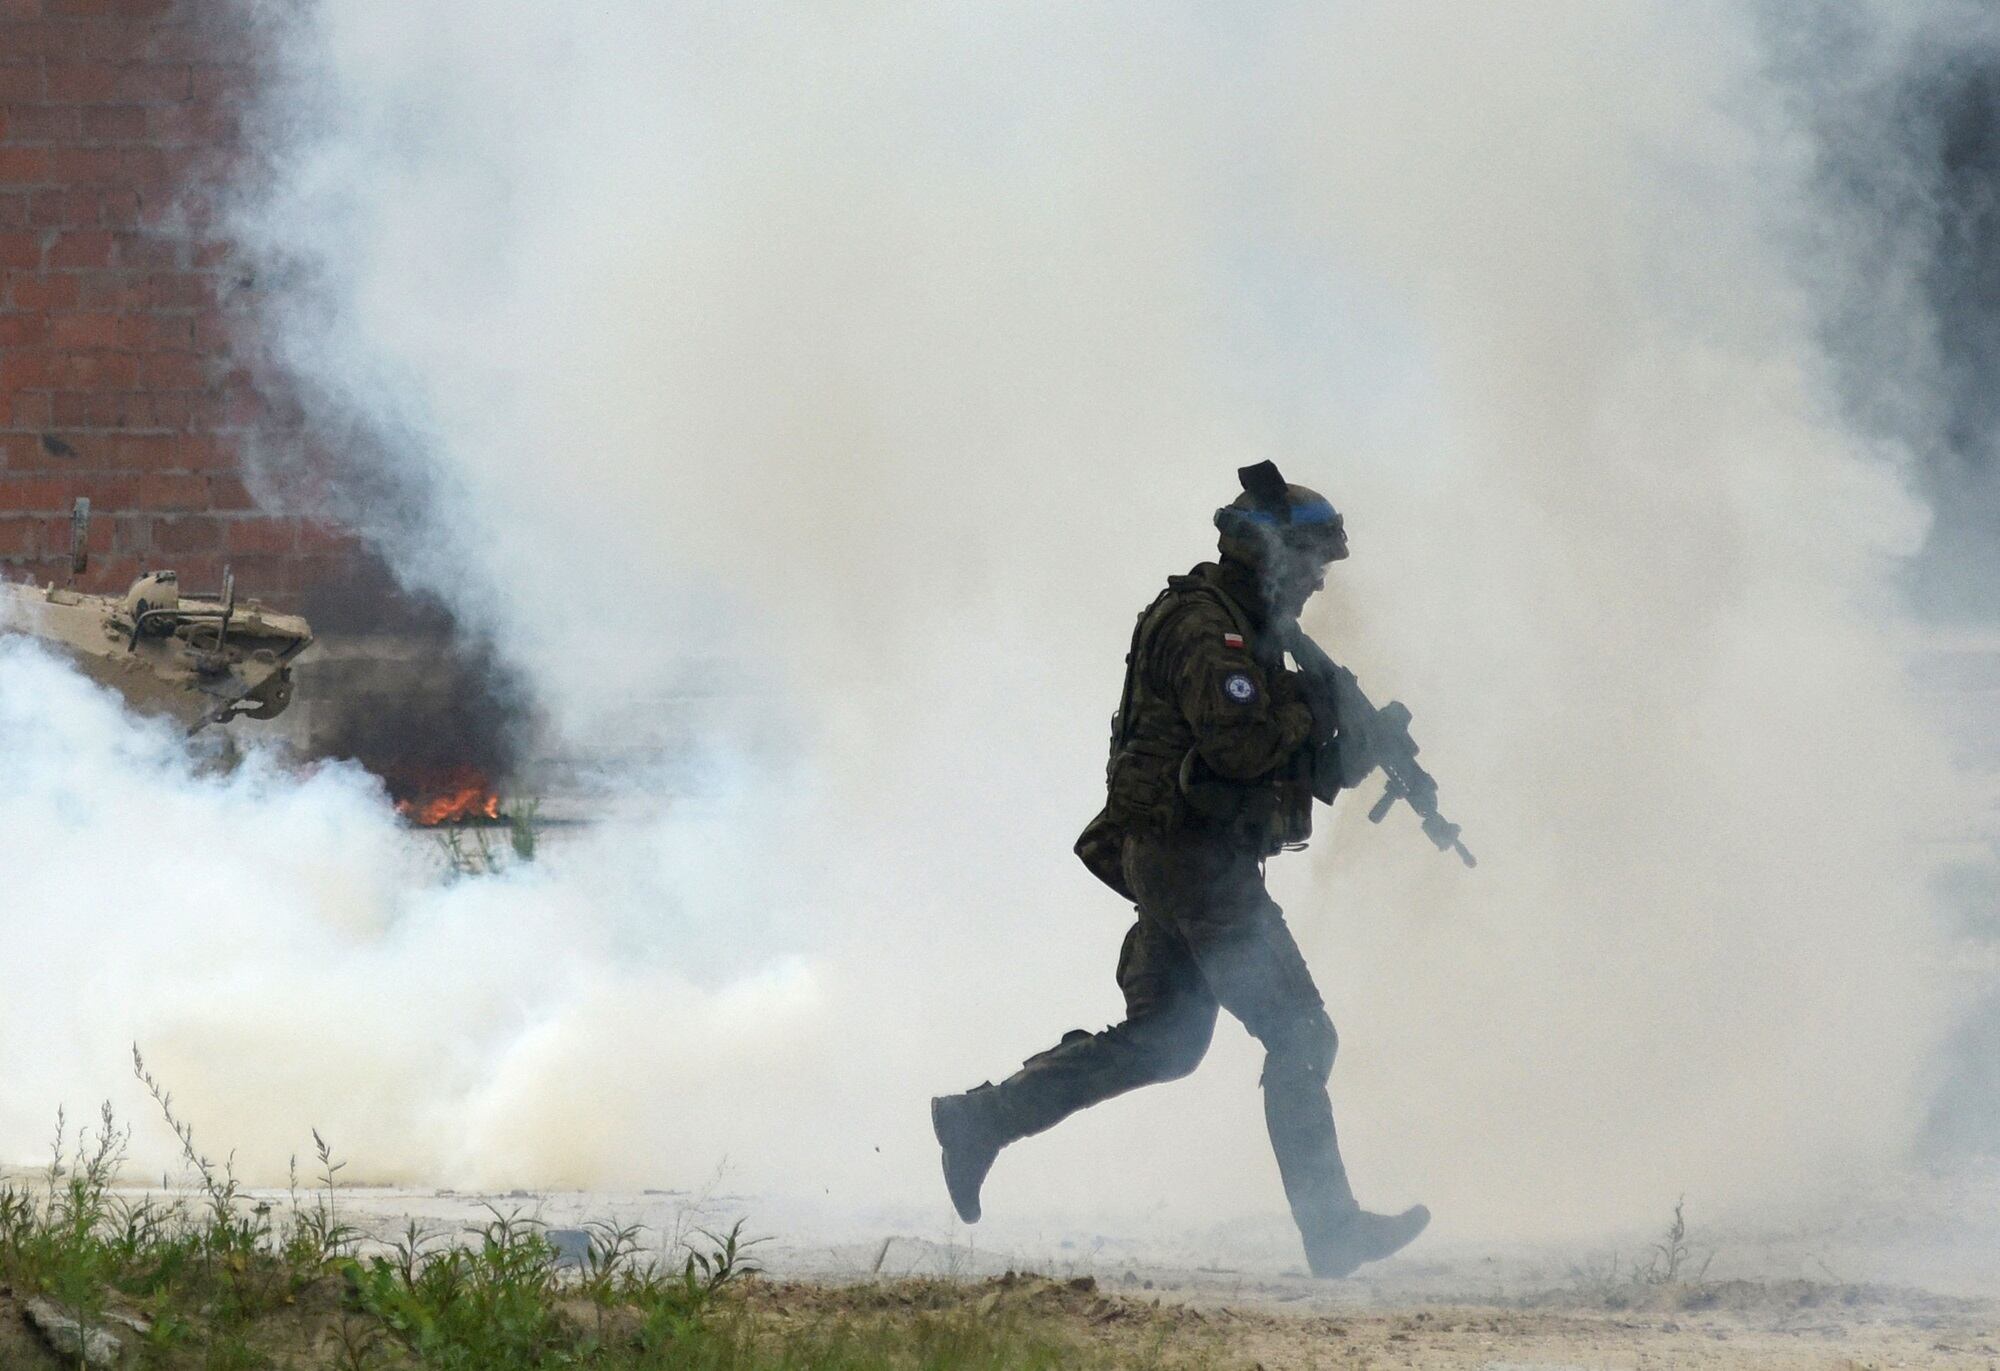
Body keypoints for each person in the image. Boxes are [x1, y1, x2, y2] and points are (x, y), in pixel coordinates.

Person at [929, 461, 1428, 1278]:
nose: (1314, 584)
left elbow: (1290, 769)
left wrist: (1357, 746)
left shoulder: (1255, 629)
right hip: (1192, 864)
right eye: (1308, 564)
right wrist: (1316, 706)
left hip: (1191, 860)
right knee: (1302, 1032)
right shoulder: (1205, 628)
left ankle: (982, 1119)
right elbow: (1238, 743)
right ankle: (1331, 1229)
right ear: (1264, 553)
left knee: (1164, 1042)